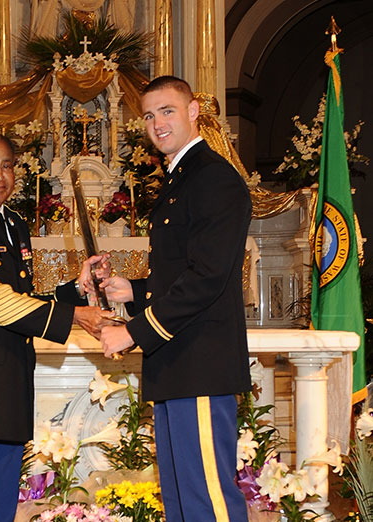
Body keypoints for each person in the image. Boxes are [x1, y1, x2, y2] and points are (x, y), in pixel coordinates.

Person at [0, 132, 113, 522]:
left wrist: (76, 292)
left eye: (7, 165)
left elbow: (23, 298)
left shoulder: (13, 223)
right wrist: (74, 318)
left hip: (9, 386)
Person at [99, 76, 252, 521]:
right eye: (149, 115)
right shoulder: (181, 178)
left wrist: (132, 331)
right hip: (178, 363)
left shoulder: (213, 179)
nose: (157, 123)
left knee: (208, 501)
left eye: (167, 111)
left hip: (200, 366)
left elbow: (207, 278)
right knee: (183, 502)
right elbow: (183, 270)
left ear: (193, 111)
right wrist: (135, 291)